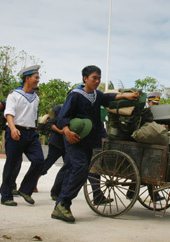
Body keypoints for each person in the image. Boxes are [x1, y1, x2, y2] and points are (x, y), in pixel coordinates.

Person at [51, 65, 139, 223]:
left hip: (88, 140)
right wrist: (67, 131)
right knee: (80, 168)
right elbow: (63, 116)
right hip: (74, 139)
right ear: (85, 78)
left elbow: (110, 98)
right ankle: (63, 204)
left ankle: (60, 205)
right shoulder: (75, 95)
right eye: (94, 78)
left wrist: (129, 96)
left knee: (79, 171)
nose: (97, 81)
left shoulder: (96, 95)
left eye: (99, 78)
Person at [0, 65, 44, 206]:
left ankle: (25, 190)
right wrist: (12, 129)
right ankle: (6, 195)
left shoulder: (35, 98)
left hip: (31, 133)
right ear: (27, 78)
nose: (38, 80)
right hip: (16, 131)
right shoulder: (14, 95)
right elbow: (9, 113)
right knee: (12, 164)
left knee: (39, 161)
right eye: (36, 77)